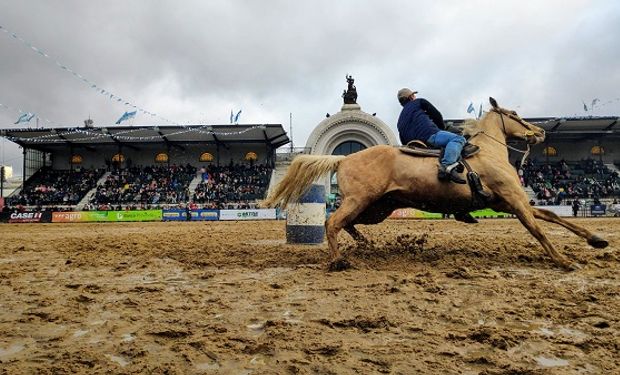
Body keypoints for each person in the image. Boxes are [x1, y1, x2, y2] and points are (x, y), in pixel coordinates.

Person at [397, 88, 474, 184]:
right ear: (411, 97)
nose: (415, 96)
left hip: (412, 144)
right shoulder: (419, 102)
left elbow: (402, 139)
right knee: (458, 138)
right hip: (429, 135)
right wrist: (441, 129)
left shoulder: (399, 120)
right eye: (413, 95)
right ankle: (447, 166)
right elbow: (436, 115)